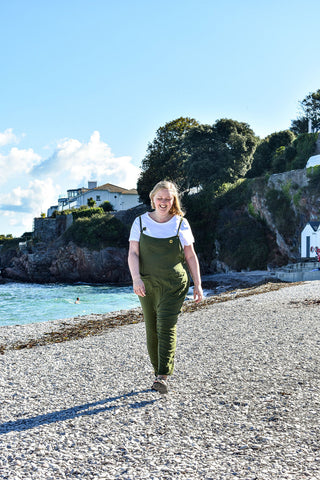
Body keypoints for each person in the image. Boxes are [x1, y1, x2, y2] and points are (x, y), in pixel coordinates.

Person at [128, 180, 203, 394]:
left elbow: (190, 255)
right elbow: (133, 253)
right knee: (151, 328)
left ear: (173, 200)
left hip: (174, 284)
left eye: (167, 199)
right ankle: (157, 373)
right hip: (146, 284)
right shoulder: (140, 222)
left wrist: (197, 284)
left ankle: (163, 375)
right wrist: (136, 278)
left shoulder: (181, 223)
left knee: (166, 326)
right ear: (152, 199)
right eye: (159, 198)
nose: (163, 202)